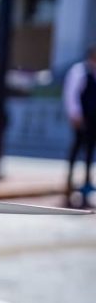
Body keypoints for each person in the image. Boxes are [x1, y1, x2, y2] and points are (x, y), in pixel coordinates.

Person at [62, 44, 96, 201]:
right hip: (82, 117)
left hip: (93, 119)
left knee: (90, 151)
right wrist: (75, 114)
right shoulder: (79, 71)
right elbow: (71, 94)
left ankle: (87, 183)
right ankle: (69, 181)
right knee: (77, 148)